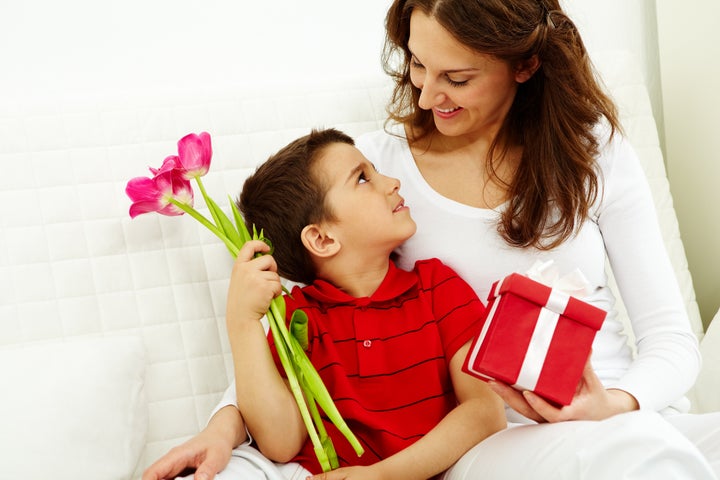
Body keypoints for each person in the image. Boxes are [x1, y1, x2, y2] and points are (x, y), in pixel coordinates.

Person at [145, 1, 720, 478]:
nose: (424, 96)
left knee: (659, 446)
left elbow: (670, 339)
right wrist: (224, 425)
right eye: (418, 65)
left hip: (622, 412)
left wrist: (612, 406)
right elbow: (306, 325)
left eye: (457, 78)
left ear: (525, 65)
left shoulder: (591, 150)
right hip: (500, 440)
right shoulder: (378, 173)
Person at [144, 127, 506, 480]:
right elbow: (281, 443)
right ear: (321, 238)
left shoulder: (437, 289)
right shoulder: (298, 317)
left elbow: (486, 412)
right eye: (363, 178)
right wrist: (242, 324)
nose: (392, 181)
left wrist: (382, 475)